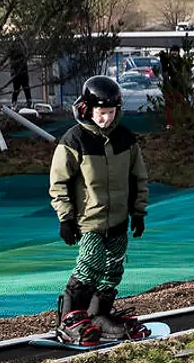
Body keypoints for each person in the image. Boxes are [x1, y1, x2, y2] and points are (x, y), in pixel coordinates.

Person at [49, 75, 151, 345]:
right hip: (89, 220)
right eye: (100, 113)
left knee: (113, 270)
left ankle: (98, 316)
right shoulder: (74, 140)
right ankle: (70, 320)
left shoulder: (126, 139)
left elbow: (138, 177)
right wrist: (66, 218)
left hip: (118, 219)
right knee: (89, 266)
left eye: (110, 112)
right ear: (87, 109)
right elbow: (59, 182)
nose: (105, 118)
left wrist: (138, 213)